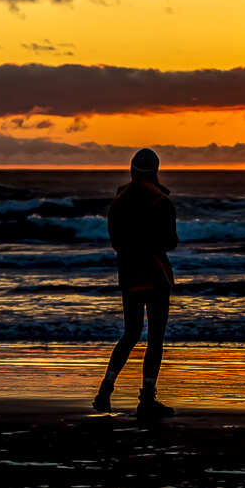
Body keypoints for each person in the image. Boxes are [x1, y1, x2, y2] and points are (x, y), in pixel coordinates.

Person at [92, 148, 179, 419]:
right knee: (155, 338)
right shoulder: (162, 201)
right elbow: (170, 242)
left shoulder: (119, 201)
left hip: (129, 274)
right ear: (156, 170)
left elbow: (115, 241)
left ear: (131, 169)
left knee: (130, 333)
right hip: (156, 275)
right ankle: (147, 399)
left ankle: (105, 390)